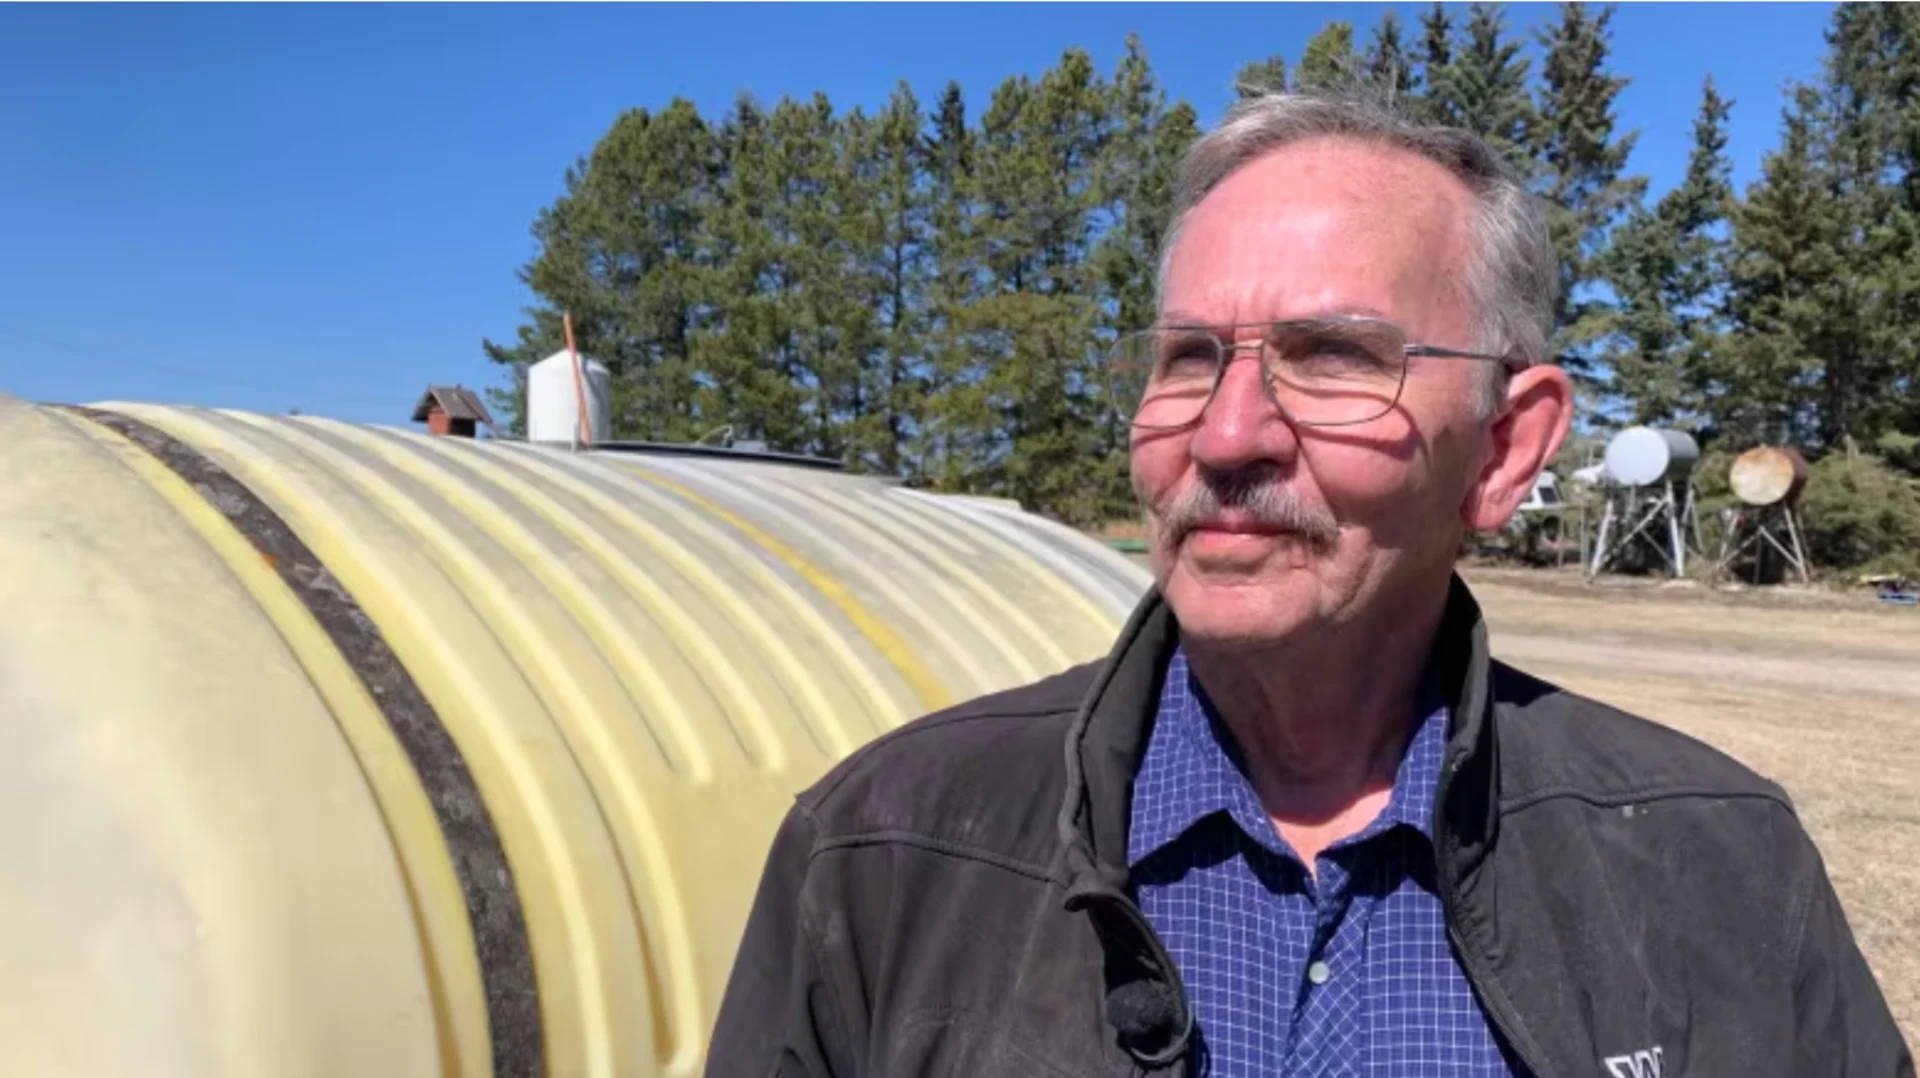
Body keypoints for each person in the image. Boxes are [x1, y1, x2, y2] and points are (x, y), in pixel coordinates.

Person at [704, 91, 1913, 1078]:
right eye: (1188, 357)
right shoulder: (886, 850)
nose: (1226, 436)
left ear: (1504, 449)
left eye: (1332, 357)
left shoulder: (1716, 868)